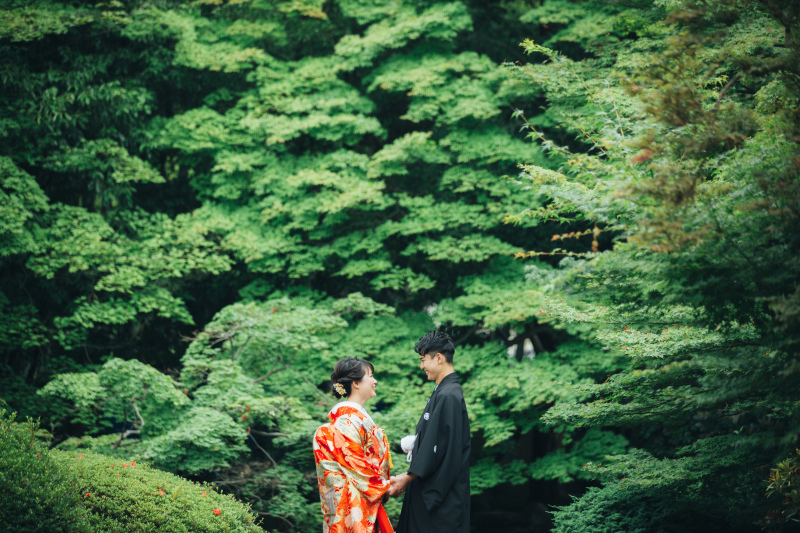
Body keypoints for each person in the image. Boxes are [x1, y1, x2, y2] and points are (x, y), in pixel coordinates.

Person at [389, 331, 471, 533]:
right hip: (432, 492)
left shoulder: (449, 395)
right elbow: (433, 441)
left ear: (439, 358)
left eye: (423, 359)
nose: (421, 366)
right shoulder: (443, 391)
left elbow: (441, 447)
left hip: (440, 499)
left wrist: (408, 477)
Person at [313, 357, 394, 533]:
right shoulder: (346, 420)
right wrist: (385, 485)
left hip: (364, 497)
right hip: (351, 502)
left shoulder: (354, 418)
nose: (375, 381)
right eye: (370, 376)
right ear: (356, 383)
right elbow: (356, 464)